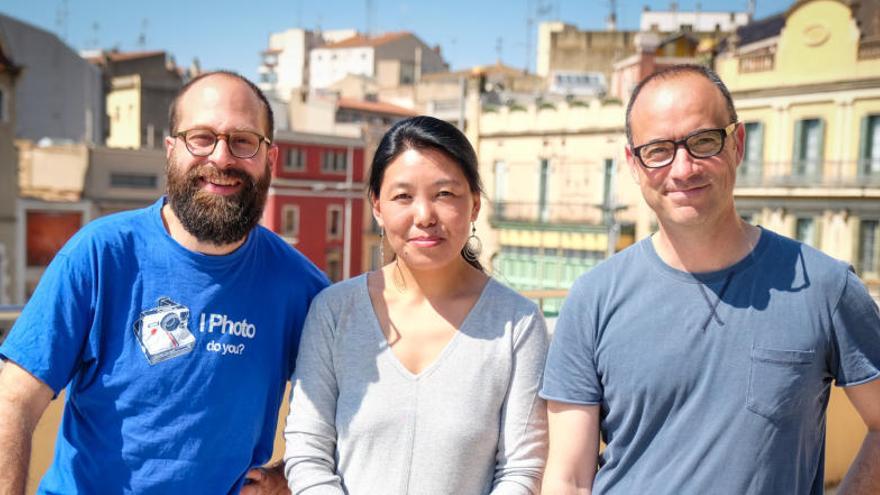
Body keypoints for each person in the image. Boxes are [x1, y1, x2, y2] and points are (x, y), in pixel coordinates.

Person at [540, 64, 880, 494]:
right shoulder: (593, 298)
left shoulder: (826, 287)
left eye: (703, 142)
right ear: (634, 163)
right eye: (658, 150)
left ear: (737, 144)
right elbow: (568, 478)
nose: (683, 169)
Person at [0, 71, 328, 494]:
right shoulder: (100, 255)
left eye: (243, 141)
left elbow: (360, 399)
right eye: (202, 138)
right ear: (171, 151)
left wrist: (291, 474)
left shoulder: (300, 287)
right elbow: (14, 401)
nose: (222, 158)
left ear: (270, 159)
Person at [282, 116, 548, 494]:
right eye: (403, 197)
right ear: (377, 206)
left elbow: (522, 469)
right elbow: (308, 450)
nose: (424, 216)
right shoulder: (334, 312)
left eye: (445, 194)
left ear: (474, 204)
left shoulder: (517, 324)